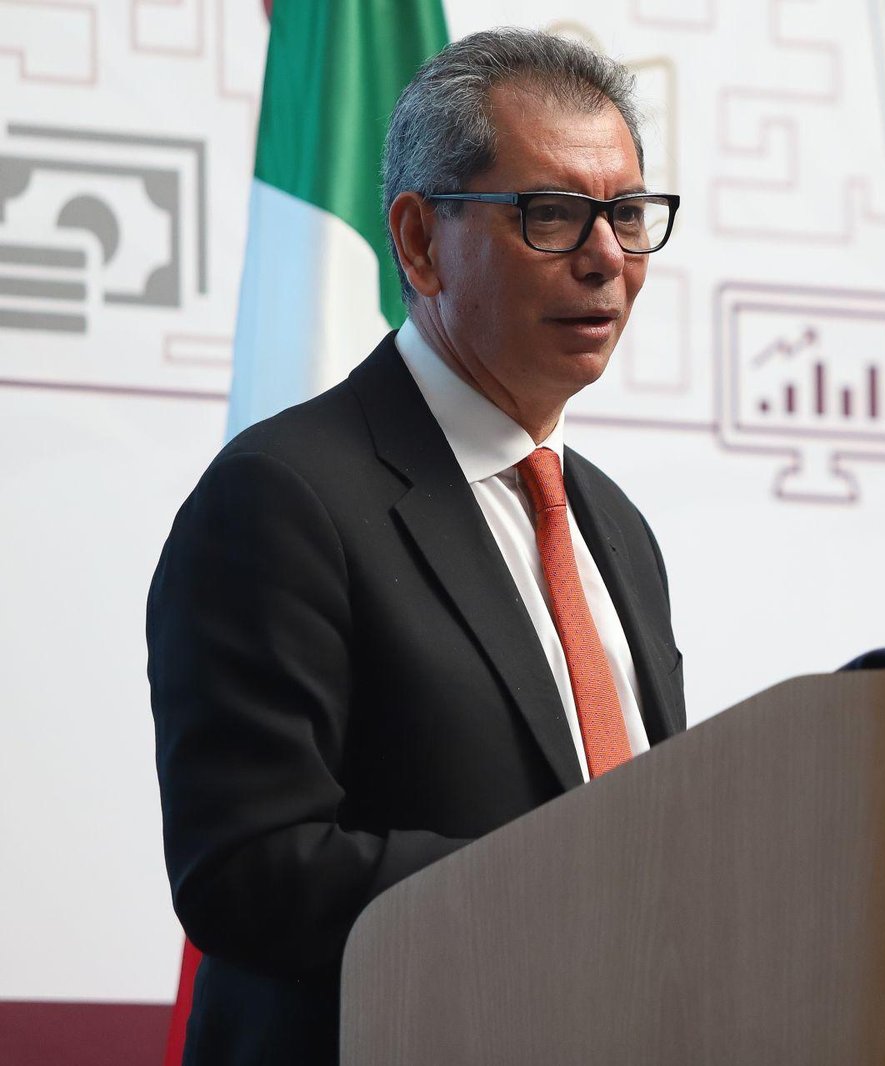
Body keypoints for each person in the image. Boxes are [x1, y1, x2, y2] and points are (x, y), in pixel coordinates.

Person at [147, 28, 686, 1065]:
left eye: (627, 214)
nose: (606, 258)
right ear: (419, 240)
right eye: (552, 213)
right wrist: (573, 883)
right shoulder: (283, 498)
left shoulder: (612, 525)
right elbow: (247, 871)